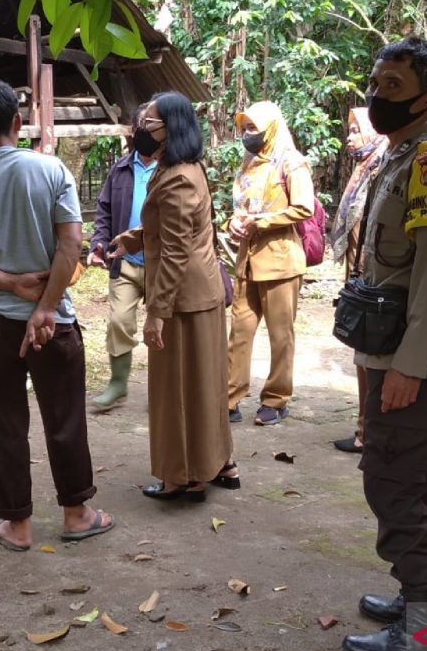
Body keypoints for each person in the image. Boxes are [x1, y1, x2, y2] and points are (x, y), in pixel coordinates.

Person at [0, 79, 114, 550]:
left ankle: (16, 525)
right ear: (18, 123)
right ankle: (77, 514)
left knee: (3, 422)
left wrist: (7, 284)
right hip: (54, 322)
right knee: (65, 417)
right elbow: (71, 244)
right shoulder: (52, 170)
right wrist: (46, 305)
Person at [338, 37, 427, 651]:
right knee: (423, 479)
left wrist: (408, 369)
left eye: (393, 86)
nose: (377, 95)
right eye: (376, 82)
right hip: (384, 347)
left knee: (391, 485)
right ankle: (426, 599)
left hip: (411, 357)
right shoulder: (397, 156)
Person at [110, 92, 236, 502]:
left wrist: (155, 313)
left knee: (180, 390)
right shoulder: (183, 167)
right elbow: (171, 229)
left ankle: (186, 476)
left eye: (149, 123)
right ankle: (219, 462)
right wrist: (129, 240)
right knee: (206, 384)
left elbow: (178, 250)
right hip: (199, 295)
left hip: (184, 300)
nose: (140, 129)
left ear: (171, 128)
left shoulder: (179, 175)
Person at [224, 101, 315, 426]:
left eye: (253, 128)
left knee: (280, 335)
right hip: (247, 261)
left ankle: (276, 400)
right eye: (244, 128)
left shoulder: (291, 162)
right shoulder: (248, 164)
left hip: (280, 261)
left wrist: (260, 222)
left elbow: (304, 207)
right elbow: (241, 207)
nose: (248, 134)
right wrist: (232, 223)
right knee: (240, 332)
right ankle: (230, 398)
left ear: (271, 127)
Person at [329, 109, 389, 454]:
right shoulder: (364, 167)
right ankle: (365, 427)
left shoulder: (382, 165)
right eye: (349, 130)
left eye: (356, 130)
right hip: (360, 276)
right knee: (361, 355)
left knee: (369, 354)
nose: (350, 137)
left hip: (375, 277)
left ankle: (369, 431)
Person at [87, 104, 153, 411]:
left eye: (150, 125)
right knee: (118, 321)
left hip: (161, 264)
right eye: (139, 125)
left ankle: (170, 387)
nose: (144, 131)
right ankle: (118, 383)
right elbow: (104, 211)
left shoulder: (172, 170)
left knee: (165, 326)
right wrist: (98, 244)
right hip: (125, 263)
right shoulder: (121, 169)